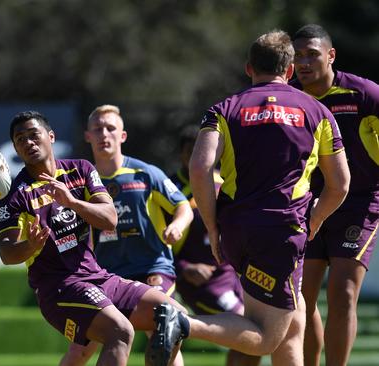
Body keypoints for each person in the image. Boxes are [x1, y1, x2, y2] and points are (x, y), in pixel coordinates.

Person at [154, 29, 351, 366]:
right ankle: (183, 322)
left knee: (294, 321)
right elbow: (341, 184)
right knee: (265, 337)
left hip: (237, 232)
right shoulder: (317, 112)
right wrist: (315, 220)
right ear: (289, 70)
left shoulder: (222, 110)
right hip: (282, 233)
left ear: (249, 68)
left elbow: (199, 169)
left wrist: (213, 228)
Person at [0, 110, 189, 366]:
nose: (28, 142)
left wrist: (72, 202)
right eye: (21, 139)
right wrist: (30, 245)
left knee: (175, 316)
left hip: (98, 277)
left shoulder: (81, 170)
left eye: (34, 135)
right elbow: (7, 253)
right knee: (120, 332)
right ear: (15, 149)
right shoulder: (16, 195)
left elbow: (109, 219)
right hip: (59, 288)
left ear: (51, 137)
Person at [59, 105, 193, 366]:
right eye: (97, 129)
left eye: (110, 128)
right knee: (80, 351)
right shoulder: (81, 185)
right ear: (87, 136)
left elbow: (183, 207)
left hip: (152, 269)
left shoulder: (145, 173)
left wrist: (177, 225)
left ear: (122, 136)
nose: (104, 134)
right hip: (107, 276)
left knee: (164, 331)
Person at [291, 24, 379, 366]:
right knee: (303, 297)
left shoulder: (364, 94)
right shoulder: (289, 96)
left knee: (342, 294)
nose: (304, 62)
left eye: (312, 54)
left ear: (331, 55)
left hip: (358, 203)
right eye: (297, 55)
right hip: (305, 205)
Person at [171, 126, 260, 366]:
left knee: (257, 338)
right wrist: (185, 268)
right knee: (249, 329)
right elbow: (157, 245)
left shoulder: (227, 183)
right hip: (204, 282)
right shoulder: (170, 191)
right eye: (192, 152)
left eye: (205, 151)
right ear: (181, 155)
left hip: (236, 275)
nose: (200, 157)